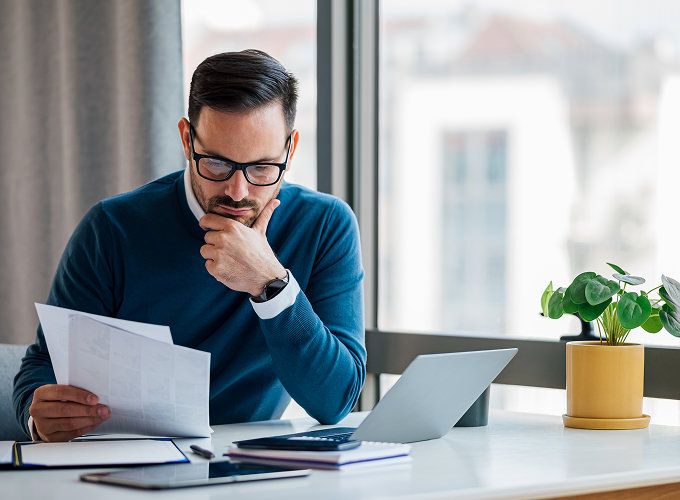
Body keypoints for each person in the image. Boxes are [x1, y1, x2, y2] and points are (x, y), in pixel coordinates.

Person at [13, 49, 366, 442]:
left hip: (251, 465)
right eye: (216, 164)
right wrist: (38, 411)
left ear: (290, 149)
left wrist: (271, 286)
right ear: (186, 139)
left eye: (263, 167)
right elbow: (42, 367)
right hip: (129, 461)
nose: (238, 191)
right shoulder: (113, 228)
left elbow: (335, 401)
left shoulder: (325, 225)